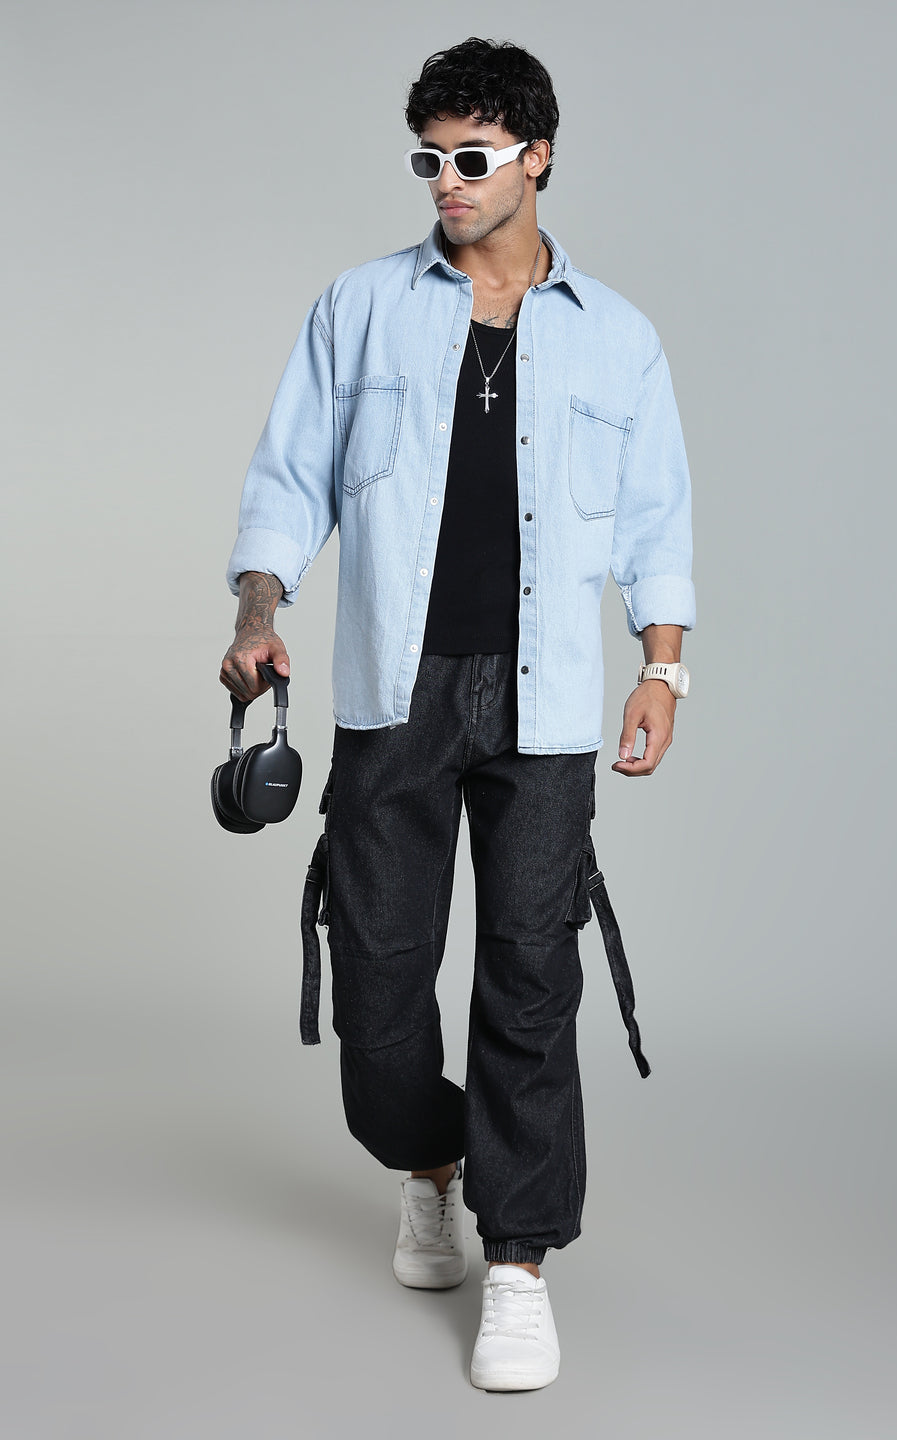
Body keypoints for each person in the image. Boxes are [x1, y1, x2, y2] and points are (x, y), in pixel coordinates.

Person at [220, 37, 695, 1392]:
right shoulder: (360, 308)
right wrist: (257, 614)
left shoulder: (619, 338)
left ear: (536, 157)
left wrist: (661, 671)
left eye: (471, 157)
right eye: (428, 158)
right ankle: (430, 1161)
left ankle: (521, 1259)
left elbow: (658, 522)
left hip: (545, 702)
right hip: (395, 690)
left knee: (532, 978)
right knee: (378, 988)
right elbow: (285, 481)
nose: (446, 180)